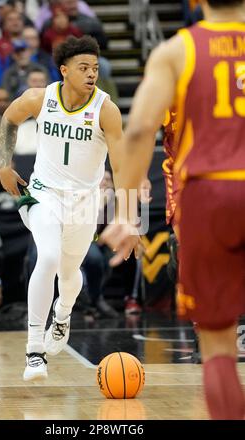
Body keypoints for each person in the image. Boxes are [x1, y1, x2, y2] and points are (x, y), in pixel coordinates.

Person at [100, 0, 245, 420]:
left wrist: (127, 213)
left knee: (217, 347)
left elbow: (142, 128)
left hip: (208, 195)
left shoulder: (177, 52)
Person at [0, 35, 122, 381]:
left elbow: (123, 165)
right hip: (43, 193)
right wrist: (4, 164)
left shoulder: (106, 109)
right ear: (64, 70)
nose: (91, 74)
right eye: (83, 67)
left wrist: (127, 218)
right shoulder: (41, 98)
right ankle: (34, 350)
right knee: (48, 257)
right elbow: (9, 118)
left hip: (84, 201)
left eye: (95, 68)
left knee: (69, 277)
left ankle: (63, 313)